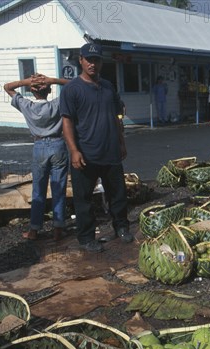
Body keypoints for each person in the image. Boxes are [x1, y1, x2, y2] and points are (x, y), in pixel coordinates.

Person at [60, 43, 133, 253]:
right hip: (86, 155)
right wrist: (74, 150)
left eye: (97, 60)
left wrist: (121, 142)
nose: (93, 64)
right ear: (81, 60)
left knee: (118, 196)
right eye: (89, 59)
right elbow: (67, 122)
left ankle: (121, 227)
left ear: (101, 62)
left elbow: (117, 117)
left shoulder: (109, 87)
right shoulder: (72, 89)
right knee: (84, 200)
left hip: (111, 152)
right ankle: (86, 238)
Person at [4, 74, 70, 241]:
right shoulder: (57, 104)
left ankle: (34, 230)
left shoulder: (27, 105)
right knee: (59, 189)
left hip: (39, 146)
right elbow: (74, 85)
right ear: (49, 90)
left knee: (38, 190)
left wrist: (29, 82)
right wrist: (52, 80)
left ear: (32, 92)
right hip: (58, 144)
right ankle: (58, 230)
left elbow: (8, 87)